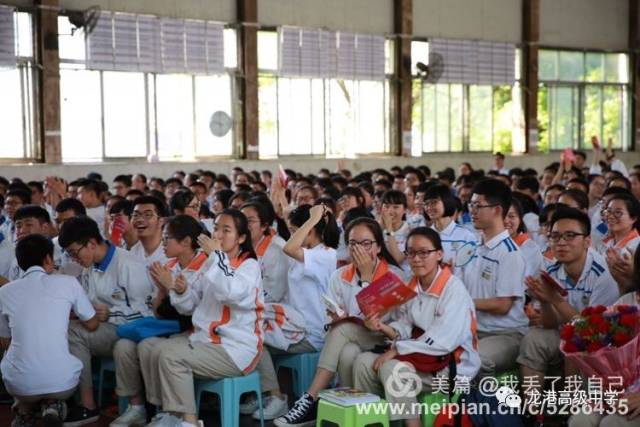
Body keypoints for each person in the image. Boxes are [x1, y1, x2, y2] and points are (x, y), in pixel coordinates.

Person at [273, 218, 404, 426]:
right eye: (353, 243)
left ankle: (310, 398)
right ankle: (354, 415)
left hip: (386, 340)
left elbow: (402, 325)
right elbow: (331, 312)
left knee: (344, 330)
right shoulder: (340, 275)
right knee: (348, 351)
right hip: (352, 338)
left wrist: (368, 279)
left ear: (379, 247)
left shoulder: (394, 277)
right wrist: (334, 317)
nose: (358, 249)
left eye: (366, 243)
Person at [144, 209, 263, 427]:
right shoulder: (212, 263)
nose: (218, 235)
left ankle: (189, 421)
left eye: (226, 230)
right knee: (150, 348)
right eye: (216, 228)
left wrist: (216, 256)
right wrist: (179, 291)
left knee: (170, 356)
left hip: (234, 348)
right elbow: (190, 306)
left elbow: (230, 293)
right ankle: (172, 413)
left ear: (242, 238)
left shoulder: (249, 266)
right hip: (207, 340)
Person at [352, 227, 480, 427]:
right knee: (362, 362)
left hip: (453, 367)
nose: (416, 259)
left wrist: (397, 350)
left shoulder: (454, 291)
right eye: (411, 252)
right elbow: (405, 324)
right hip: (421, 357)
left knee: (393, 370)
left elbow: (441, 342)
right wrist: (383, 328)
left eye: (423, 252)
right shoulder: (411, 285)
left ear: (439, 254)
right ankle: (373, 421)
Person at [517, 208, 619, 420]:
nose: (561, 242)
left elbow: (591, 328)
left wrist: (554, 299)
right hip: (565, 335)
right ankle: (534, 414)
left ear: (587, 241)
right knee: (534, 338)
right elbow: (548, 323)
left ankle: (569, 415)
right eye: (555, 236)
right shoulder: (553, 272)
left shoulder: (602, 274)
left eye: (570, 235)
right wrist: (545, 301)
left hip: (599, 344)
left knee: (575, 340)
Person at [110, 215, 207, 427]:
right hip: (169, 326)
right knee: (123, 346)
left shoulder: (204, 266)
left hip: (193, 330)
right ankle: (144, 408)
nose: (163, 244)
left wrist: (174, 288)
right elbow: (159, 314)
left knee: (148, 346)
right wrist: (163, 289)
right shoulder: (169, 266)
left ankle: (171, 412)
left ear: (186, 242)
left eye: (167, 239)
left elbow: (198, 312)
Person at [59, 216, 155, 425]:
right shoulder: (90, 266)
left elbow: (148, 313)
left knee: (73, 332)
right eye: (70, 254)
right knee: (63, 329)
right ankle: (70, 399)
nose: (74, 258)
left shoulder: (128, 264)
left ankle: (88, 404)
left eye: (75, 252)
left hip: (131, 328)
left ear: (92, 243)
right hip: (107, 327)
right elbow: (86, 301)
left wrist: (111, 313)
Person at [0, 235, 98, 427]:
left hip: (19, 385)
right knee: (57, 364)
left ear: (19, 263)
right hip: (63, 383)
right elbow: (92, 324)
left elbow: (5, 340)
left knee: (14, 359)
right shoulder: (68, 282)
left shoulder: (4, 292)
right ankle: (53, 405)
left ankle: (25, 410)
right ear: (48, 259)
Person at [251, 204, 338, 420]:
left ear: (310, 230)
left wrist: (312, 219)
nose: (291, 235)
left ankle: (277, 396)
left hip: (312, 333)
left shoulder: (325, 255)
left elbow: (288, 248)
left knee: (254, 339)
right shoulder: (306, 253)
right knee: (246, 330)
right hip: (294, 325)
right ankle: (262, 392)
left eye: (295, 230)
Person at [460, 179, 528, 378]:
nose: (472, 211)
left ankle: (482, 408)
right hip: (473, 330)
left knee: (475, 360)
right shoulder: (474, 247)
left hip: (506, 334)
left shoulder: (509, 253)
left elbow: (503, 305)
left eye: (478, 206)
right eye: (471, 205)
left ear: (497, 210)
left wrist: (464, 302)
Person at [241, 201, 289, 303]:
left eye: (250, 221)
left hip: (270, 308)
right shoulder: (238, 245)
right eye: (241, 220)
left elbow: (273, 293)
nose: (244, 225)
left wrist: (239, 300)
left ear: (264, 226)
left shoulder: (277, 249)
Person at [424, 184, 478, 268]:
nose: (429, 207)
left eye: (434, 202)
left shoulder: (466, 236)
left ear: (446, 202)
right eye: (426, 203)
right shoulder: (425, 236)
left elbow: (471, 271)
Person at [129, 196, 169, 265]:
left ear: (161, 221)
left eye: (147, 215)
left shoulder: (171, 252)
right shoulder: (133, 251)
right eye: (135, 215)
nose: (140, 219)